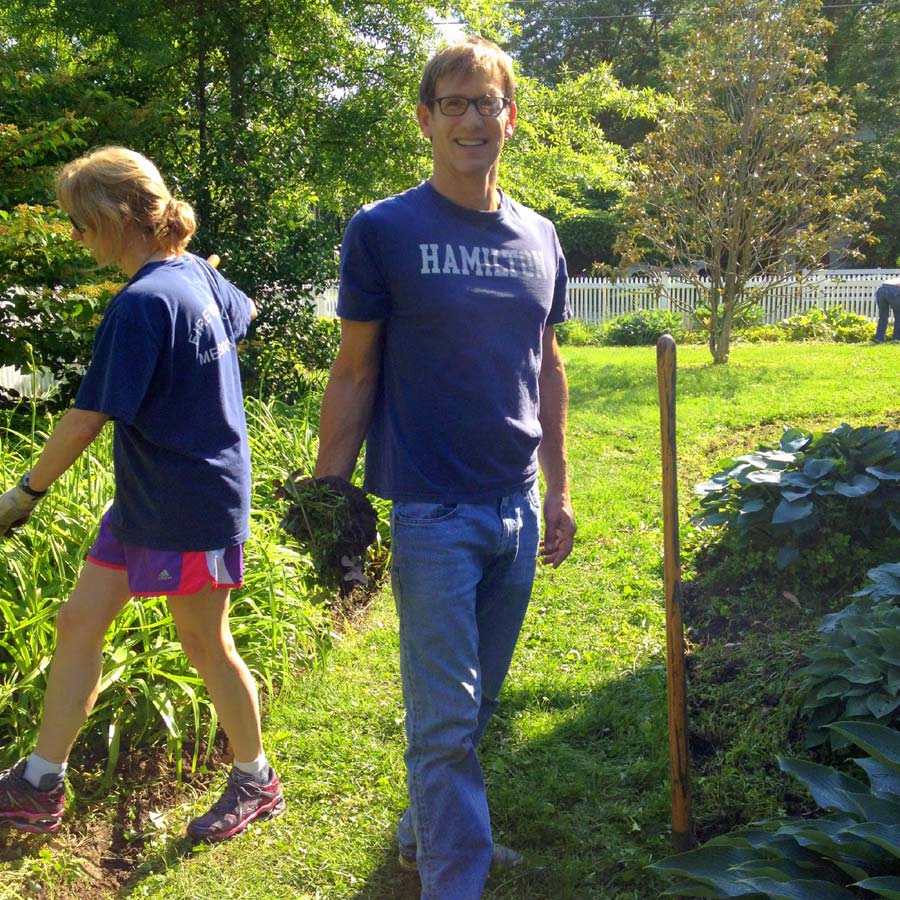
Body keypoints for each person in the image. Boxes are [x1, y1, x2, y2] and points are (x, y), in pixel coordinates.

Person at [314, 36, 576, 899]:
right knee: (444, 722)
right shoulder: (385, 230)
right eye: (453, 104)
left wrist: (561, 489)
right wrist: (328, 492)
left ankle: (425, 833)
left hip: (517, 503)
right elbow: (355, 368)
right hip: (430, 511)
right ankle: (453, 877)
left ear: (511, 116)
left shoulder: (539, 236)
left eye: (487, 102)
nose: (472, 119)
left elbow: (546, 368)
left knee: (477, 705)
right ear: (426, 119)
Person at [0, 146, 283, 842]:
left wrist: (26, 493)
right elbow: (242, 315)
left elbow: (87, 418)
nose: (75, 236)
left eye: (79, 221)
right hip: (147, 499)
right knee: (78, 622)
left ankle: (256, 780)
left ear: (118, 215)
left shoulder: (143, 303)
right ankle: (40, 783)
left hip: (190, 505)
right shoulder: (193, 275)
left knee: (204, 643)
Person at [874, 276, 900, 343]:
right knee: (899, 316)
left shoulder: (896, 278)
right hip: (894, 290)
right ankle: (897, 339)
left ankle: (879, 339)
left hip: (881, 289)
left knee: (883, 317)